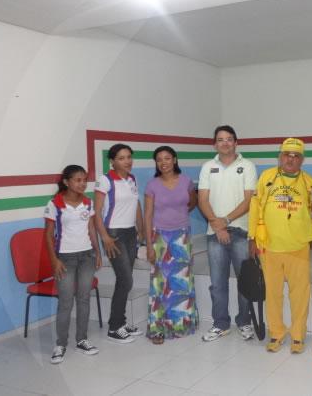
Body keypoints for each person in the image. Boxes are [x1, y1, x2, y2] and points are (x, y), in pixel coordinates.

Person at [248, 138, 312, 354]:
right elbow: (254, 207)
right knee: (273, 294)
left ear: (302, 160)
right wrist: (252, 238)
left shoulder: (309, 182)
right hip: (269, 246)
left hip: (298, 246)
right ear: (280, 156)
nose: (291, 159)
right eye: (287, 154)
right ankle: (276, 333)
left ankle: (298, 335)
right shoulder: (267, 177)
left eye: (296, 156)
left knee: (300, 294)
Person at [198, 125, 258, 342]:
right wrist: (217, 224)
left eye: (229, 139)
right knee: (217, 282)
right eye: (220, 139)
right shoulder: (207, 167)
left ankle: (244, 322)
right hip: (215, 231)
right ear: (215, 144)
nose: (224, 143)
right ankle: (220, 324)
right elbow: (202, 199)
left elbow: (249, 200)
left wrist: (226, 221)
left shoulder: (248, 166)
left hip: (241, 230)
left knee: (245, 281)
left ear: (236, 142)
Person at [45, 165, 102, 364]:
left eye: (84, 179)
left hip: (86, 256)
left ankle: (82, 340)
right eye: (77, 180)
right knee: (66, 302)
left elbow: (91, 229)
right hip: (65, 259)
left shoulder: (88, 202)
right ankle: (60, 344)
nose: (82, 183)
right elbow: (48, 234)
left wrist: (97, 252)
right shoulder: (55, 203)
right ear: (67, 182)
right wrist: (54, 260)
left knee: (84, 298)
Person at [144, 146, 199, 344]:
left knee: (182, 284)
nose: (163, 162)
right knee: (160, 285)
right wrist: (149, 245)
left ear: (174, 159)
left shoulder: (186, 182)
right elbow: (148, 215)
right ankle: (158, 329)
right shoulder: (152, 185)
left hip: (182, 236)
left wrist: (179, 218)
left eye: (167, 158)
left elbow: (192, 203)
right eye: (159, 159)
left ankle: (181, 325)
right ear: (156, 163)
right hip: (160, 237)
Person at [94, 143, 144, 344]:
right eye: (122, 158)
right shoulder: (105, 180)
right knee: (126, 280)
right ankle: (114, 327)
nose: (127, 161)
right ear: (112, 161)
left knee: (125, 279)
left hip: (131, 232)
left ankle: (120, 322)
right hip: (113, 234)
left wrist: (140, 229)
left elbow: (136, 204)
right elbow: (96, 212)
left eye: (129, 157)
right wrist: (105, 237)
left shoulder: (132, 179)